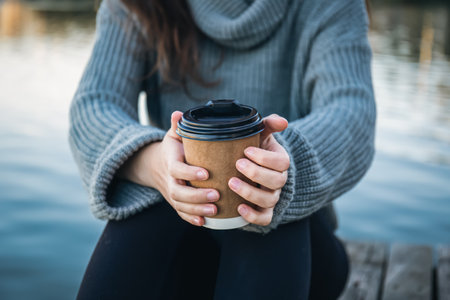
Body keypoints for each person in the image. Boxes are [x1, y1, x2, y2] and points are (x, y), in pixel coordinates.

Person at [70, 0, 375, 299]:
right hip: (180, 247)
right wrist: (158, 167)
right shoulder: (138, 5)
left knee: (265, 215)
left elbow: (351, 111)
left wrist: (279, 171)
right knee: (152, 200)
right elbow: (94, 105)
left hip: (303, 256)